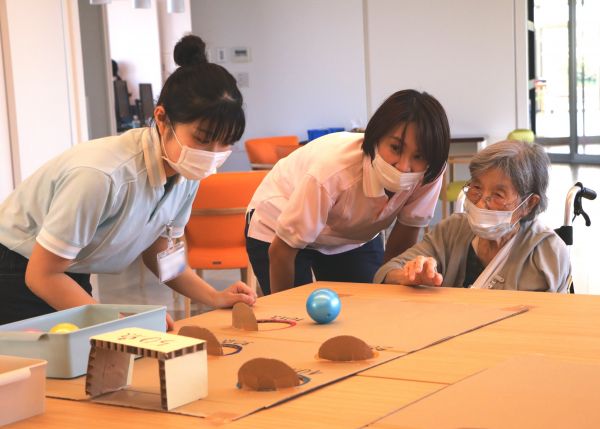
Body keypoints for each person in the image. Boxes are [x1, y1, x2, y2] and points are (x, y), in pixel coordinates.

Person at [0, 35, 256, 326]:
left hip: (66, 269)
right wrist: (119, 323)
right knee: (55, 364)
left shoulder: (185, 171)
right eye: (203, 139)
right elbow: (41, 274)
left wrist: (213, 296)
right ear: (162, 119)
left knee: (90, 357)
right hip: (13, 267)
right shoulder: (102, 176)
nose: (212, 154)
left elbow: (159, 252)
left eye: (226, 144)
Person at [245, 89, 450, 295]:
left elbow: (404, 238)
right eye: (396, 148)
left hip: (348, 236)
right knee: (299, 312)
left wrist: (389, 292)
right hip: (278, 227)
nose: (404, 167)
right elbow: (282, 252)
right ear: (376, 137)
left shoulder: (429, 173)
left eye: (418, 156)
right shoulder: (333, 172)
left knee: (368, 305)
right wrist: (285, 311)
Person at [374, 140, 571, 292]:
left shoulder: (546, 253)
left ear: (528, 204)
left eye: (498, 195)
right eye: (476, 187)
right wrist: (410, 276)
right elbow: (386, 272)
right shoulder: (452, 230)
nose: (480, 202)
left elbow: (551, 321)